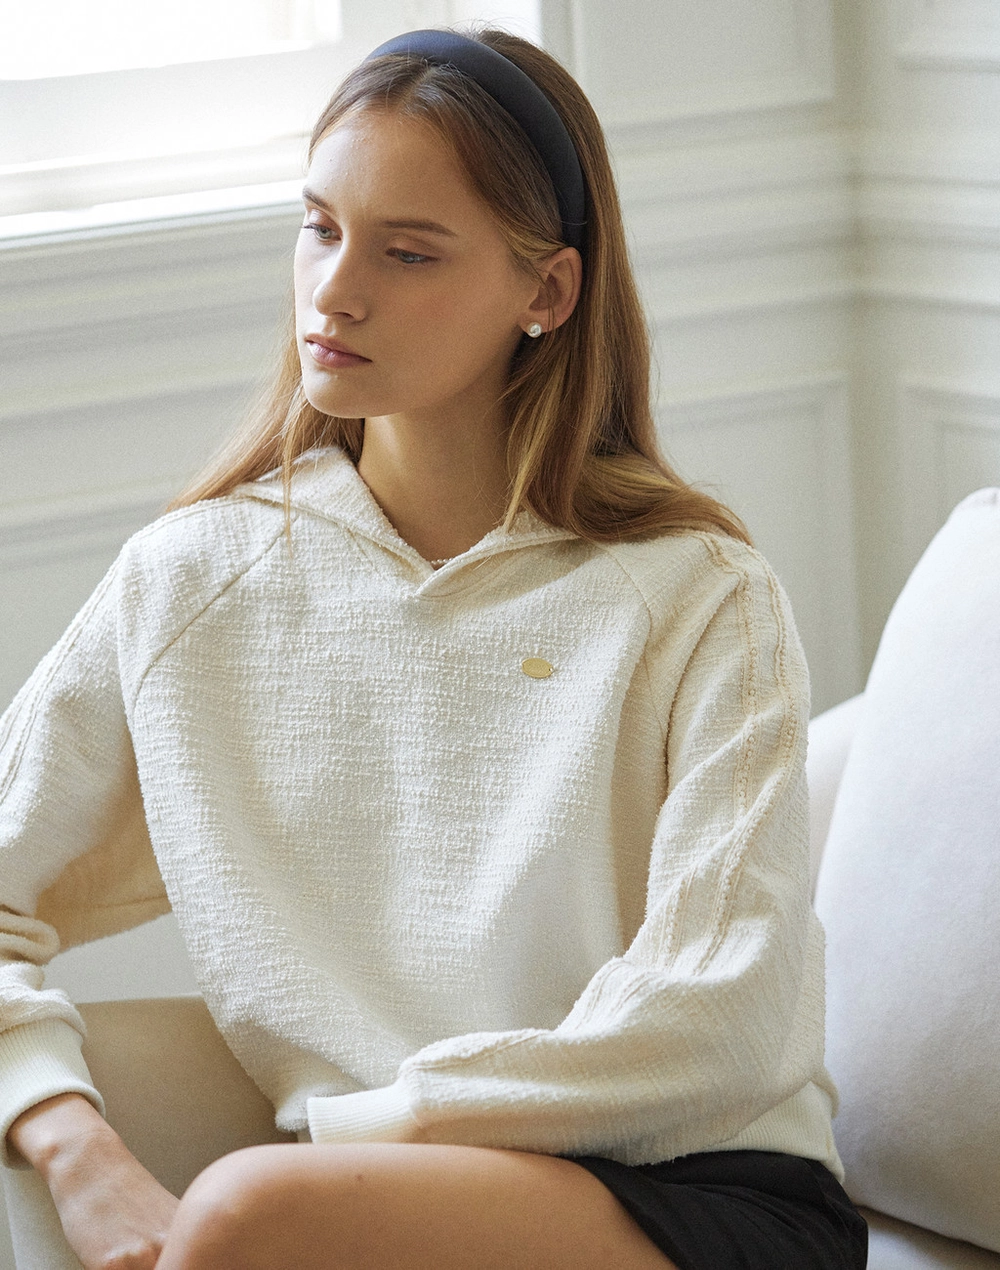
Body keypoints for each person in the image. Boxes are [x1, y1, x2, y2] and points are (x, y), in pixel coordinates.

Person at [0, 26, 868, 1270]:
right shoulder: (190, 581)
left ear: (546, 294)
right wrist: (76, 1147)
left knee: (248, 1212)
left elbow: (716, 1020)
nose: (335, 290)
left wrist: (361, 1133)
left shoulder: (699, 595)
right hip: (361, 1197)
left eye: (406, 252)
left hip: (686, 1190)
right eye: (318, 227)